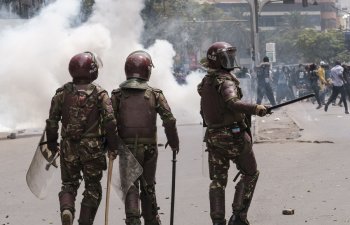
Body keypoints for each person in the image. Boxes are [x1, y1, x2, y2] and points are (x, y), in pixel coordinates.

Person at [45, 52, 120, 225]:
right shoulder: (100, 94)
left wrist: (52, 144)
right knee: (92, 187)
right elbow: (110, 122)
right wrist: (113, 147)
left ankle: (66, 209)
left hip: (68, 146)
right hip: (92, 148)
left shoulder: (61, 93)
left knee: (69, 185)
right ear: (92, 71)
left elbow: (52, 122)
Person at [197, 42, 268, 225]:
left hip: (213, 137)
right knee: (250, 173)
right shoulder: (226, 81)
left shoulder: (206, 81)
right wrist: (256, 108)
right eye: (226, 57)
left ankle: (218, 221)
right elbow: (232, 103)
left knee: (218, 181)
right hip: (233, 136)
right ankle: (238, 216)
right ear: (218, 60)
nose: (230, 60)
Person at [110, 50, 179, 225]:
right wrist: (173, 141)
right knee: (148, 186)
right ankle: (151, 219)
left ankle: (133, 219)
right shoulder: (155, 94)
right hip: (149, 148)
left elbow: (109, 122)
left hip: (127, 149)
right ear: (147, 70)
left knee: (130, 185)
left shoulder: (118, 95)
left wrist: (111, 144)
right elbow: (169, 119)